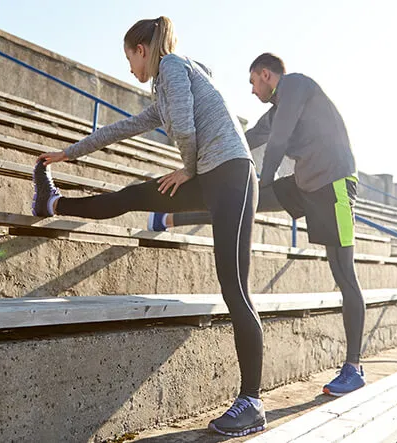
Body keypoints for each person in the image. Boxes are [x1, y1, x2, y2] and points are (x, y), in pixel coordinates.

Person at [32, 17, 266, 436]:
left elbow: (188, 128)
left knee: (235, 289)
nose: (130, 69)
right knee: (133, 195)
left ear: (143, 50)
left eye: (129, 59)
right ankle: (52, 202)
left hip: (231, 176)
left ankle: (252, 401)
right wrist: (69, 153)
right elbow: (120, 129)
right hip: (209, 175)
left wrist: (186, 169)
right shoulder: (163, 91)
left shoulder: (172, 66)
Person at [148, 53, 367, 397]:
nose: (252, 90)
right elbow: (245, 140)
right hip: (305, 183)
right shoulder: (274, 113)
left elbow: (278, 140)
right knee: (238, 204)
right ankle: (171, 217)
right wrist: (194, 165)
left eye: (252, 82)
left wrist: (263, 180)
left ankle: (353, 367)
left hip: (333, 182)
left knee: (343, 272)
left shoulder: (296, 85)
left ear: (266, 74)